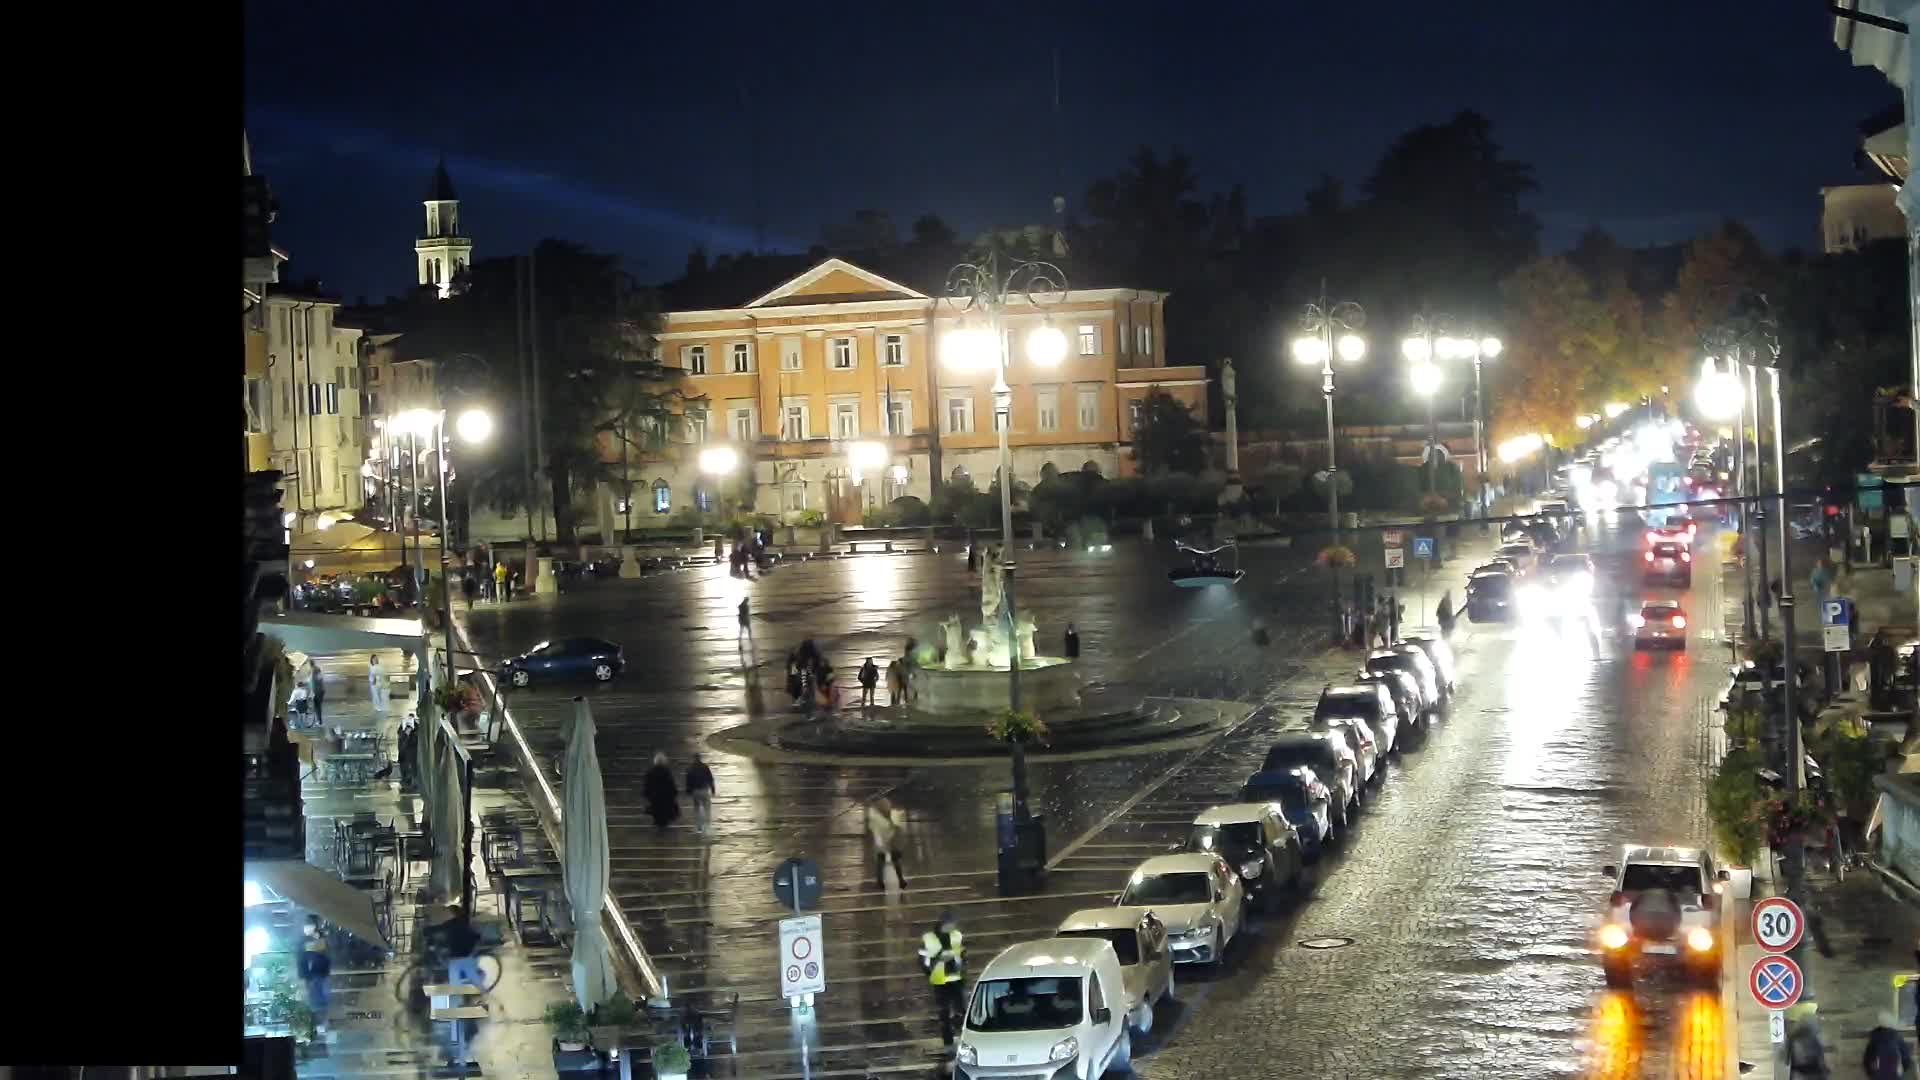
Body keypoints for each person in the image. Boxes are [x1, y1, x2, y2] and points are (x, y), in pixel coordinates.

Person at [919, 911, 966, 1051]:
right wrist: (938, 960)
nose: (953, 926)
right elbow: (923, 960)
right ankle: (948, 1044)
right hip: (940, 981)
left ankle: (964, 1041)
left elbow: (963, 955)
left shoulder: (957, 935)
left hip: (957, 979)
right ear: (944, 924)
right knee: (944, 1014)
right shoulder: (928, 938)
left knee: (962, 1012)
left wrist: (960, 966)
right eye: (951, 924)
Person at [299, 915, 332, 1034]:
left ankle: (322, 1022)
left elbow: (326, 953)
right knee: (316, 1001)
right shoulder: (303, 941)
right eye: (306, 925)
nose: (306, 928)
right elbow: (301, 959)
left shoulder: (322, 938)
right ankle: (320, 1024)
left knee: (323, 999)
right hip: (312, 975)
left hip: (321, 973)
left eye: (308, 925)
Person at [868, 796, 908, 891]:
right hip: (884, 842)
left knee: (889, 861)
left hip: (891, 842)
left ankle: (898, 880)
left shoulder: (891, 815)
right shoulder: (877, 818)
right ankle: (882, 881)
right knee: (883, 861)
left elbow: (899, 827)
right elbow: (874, 830)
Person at [1864, 1013, 1914, 1079]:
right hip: (1895, 1075)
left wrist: (1871, 1074)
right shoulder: (1897, 1037)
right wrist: (1901, 1072)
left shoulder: (1874, 1038)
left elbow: (1867, 1060)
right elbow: (1906, 1059)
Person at [644, 751, 679, 831]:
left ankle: (658, 825)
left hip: (654, 796)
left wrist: (647, 794)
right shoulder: (667, 772)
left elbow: (647, 784)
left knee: (656, 812)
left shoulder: (650, 772)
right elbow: (671, 784)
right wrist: (674, 793)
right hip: (665, 796)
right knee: (664, 813)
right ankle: (663, 826)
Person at [685, 754, 716, 835]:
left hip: (695, 791)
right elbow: (710, 778)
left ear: (693, 759)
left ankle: (699, 826)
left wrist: (688, 791)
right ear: (700, 759)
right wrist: (713, 789)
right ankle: (707, 825)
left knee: (697, 809)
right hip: (704, 790)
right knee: (707, 808)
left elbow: (688, 781)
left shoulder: (690, 768)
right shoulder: (705, 767)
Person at [309, 659, 326, 724]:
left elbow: (317, 681)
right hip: (318, 691)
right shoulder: (314, 670)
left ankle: (319, 721)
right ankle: (318, 720)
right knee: (317, 706)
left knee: (317, 706)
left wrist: (313, 691)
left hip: (318, 691)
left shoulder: (315, 670)